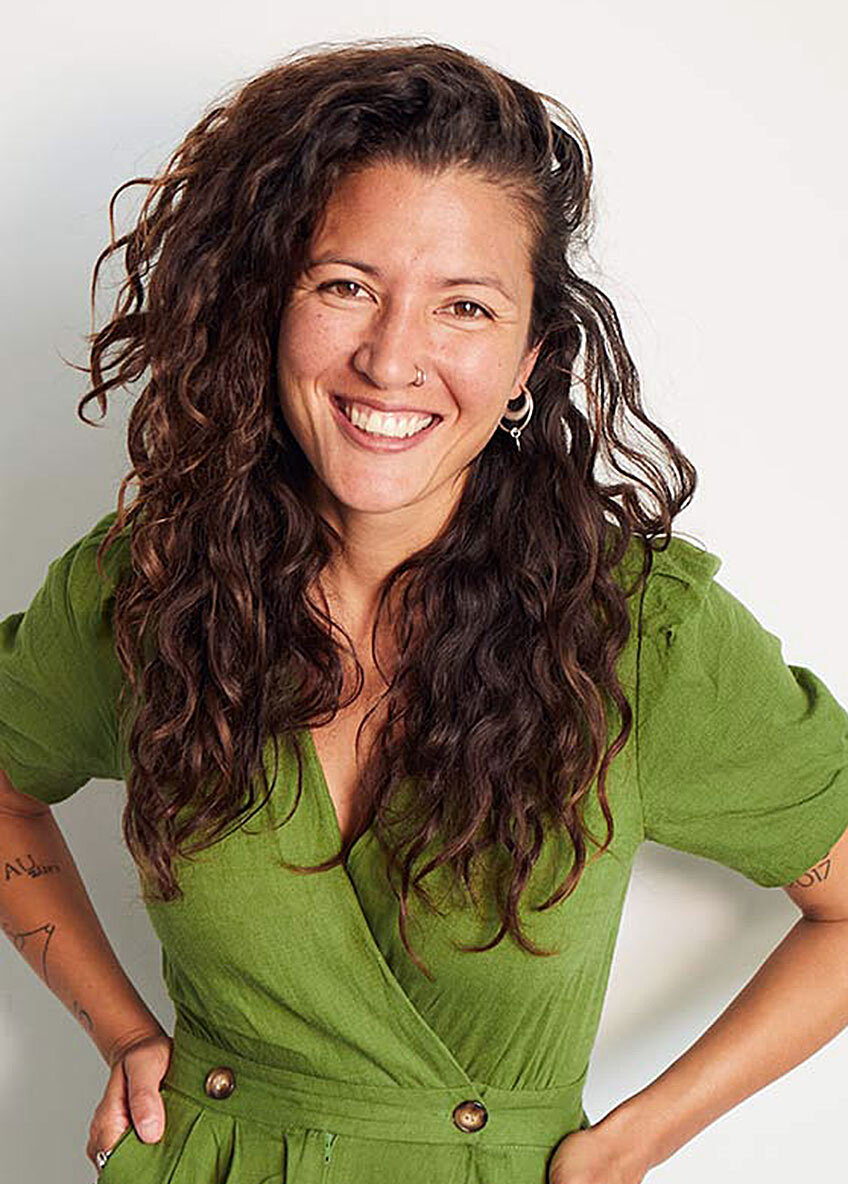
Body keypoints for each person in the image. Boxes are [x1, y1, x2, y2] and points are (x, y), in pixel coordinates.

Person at [2, 35, 848, 1184]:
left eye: (463, 305)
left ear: (527, 357)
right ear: (267, 304)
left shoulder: (634, 629)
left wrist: (637, 1137)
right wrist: (117, 1025)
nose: (392, 358)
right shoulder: (148, 587)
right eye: (345, 285)